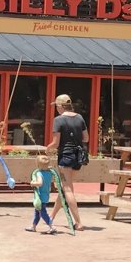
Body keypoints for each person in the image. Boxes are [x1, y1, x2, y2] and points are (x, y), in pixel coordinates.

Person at [47, 93, 88, 228]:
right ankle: (51, 216)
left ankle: (78, 222)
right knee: (65, 188)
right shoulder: (80, 117)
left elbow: (56, 143)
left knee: (68, 189)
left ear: (60, 106)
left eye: (56, 106)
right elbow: (86, 138)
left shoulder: (58, 120)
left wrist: (48, 148)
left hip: (66, 157)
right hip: (78, 157)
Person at [27, 154, 59, 234]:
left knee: (42, 212)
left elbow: (40, 183)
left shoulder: (39, 173)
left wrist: (33, 183)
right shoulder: (49, 173)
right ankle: (33, 226)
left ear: (38, 165)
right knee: (37, 212)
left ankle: (51, 226)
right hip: (46, 195)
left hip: (40, 196)